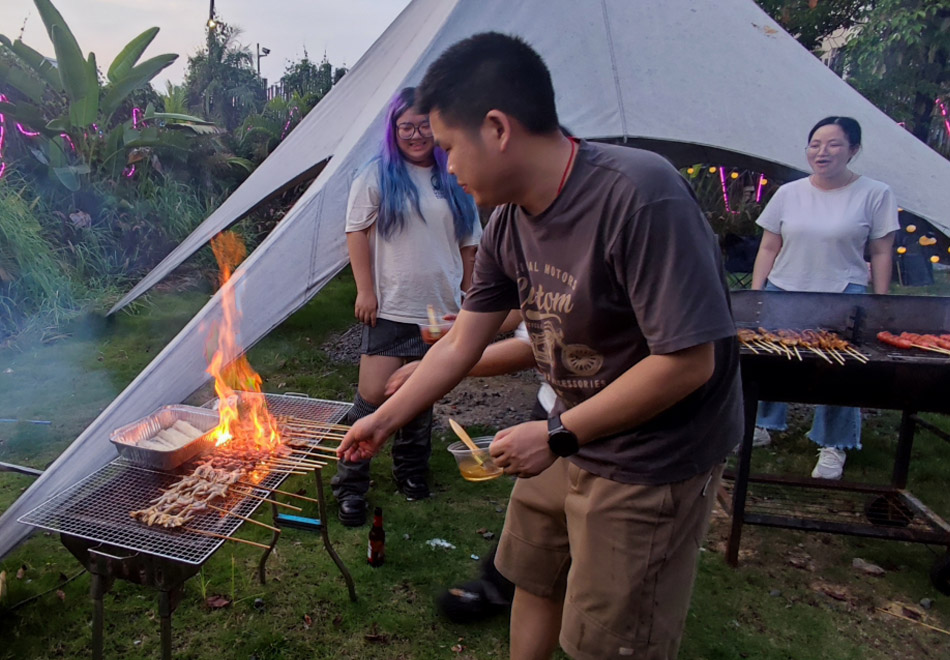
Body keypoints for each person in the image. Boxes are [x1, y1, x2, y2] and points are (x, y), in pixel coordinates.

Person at [338, 32, 742, 660]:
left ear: (497, 128)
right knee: (532, 576)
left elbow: (686, 364)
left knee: (606, 639)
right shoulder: (507, 219)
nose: (447, 167)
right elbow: (460, 343)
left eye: (449, 147)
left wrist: (555, 436)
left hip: (650, 455)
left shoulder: (638, 195)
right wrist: (382, 421)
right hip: (569, 432)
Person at [331, 87, 481, 527]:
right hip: (392, 305)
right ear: (393, 131)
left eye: (423, 126)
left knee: (421, 395)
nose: (416, 135)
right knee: (371, 399)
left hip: (441, 309)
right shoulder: (377, 174)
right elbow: (356, 231)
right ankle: (350, 484)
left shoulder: (454, 173)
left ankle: (412, 472)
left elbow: (470, 242)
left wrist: (471, 295)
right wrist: (365, 290)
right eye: (406, 127)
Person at [750, 116, 898, 480]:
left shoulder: (875, 193)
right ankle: (763, 425)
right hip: (784, 287)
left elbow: (881, 251)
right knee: (772, 360)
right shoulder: (789, 193)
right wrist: (756, 293)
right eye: (815, 144)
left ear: (853, 150)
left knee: (838, 371)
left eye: (833, 144)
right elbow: (769, 245)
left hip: (843, 291)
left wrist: (880, 301)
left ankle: (834, 444)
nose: (822, 151)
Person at [386, 313, 551, 623]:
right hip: (553, 405)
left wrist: (441, 366)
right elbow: (523, 306)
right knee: (533, 525)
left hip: (620, 429)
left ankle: (508, 586)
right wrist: (467, 327)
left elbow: (531, 347)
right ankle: (501, 584)